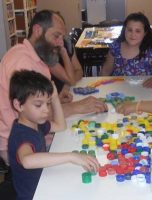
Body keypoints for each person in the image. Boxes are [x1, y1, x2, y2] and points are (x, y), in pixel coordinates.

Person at [0, 10, 108, 163]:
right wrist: (77, 107)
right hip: (24, 147)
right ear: (38, 30)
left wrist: (53, 100)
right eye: (56, 36)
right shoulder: (21, 62)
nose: (60, 43)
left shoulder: (36, 55)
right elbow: (32, 113)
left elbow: (37, 104)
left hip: (38, 134)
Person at [8, 70, 100, 200]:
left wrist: (55, 98)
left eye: (48, 103)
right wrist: (71, 156)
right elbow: (27, 161)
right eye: (38, 105)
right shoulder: (21, 134)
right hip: (34, 195)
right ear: (18, 105)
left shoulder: (35, 123)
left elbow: (60, 126)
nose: (46, 110)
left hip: (45, 182)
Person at [100, 12, 152, 78]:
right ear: (124, 30)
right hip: (118, 93)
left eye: (138, 31)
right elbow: (105, 72)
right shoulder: (115, 48)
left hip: (143, 93)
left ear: (145, 33)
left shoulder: (151, 52)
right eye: (130, 30)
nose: (133, 35)